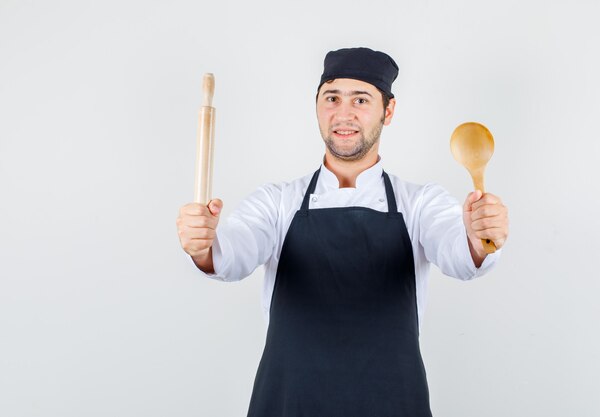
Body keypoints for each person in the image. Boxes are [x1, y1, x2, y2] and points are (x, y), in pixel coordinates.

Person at [176, 47, 509, 417]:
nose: (343, 113)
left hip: (392, 404)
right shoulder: (277, 202)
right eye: (331, 98)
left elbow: (459, 252)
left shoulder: (419, 204)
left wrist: (479, 238)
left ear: (389, 111)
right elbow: (232, 252)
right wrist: (202, 244)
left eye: (361, 100)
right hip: (290, 404)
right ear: (316, 106)